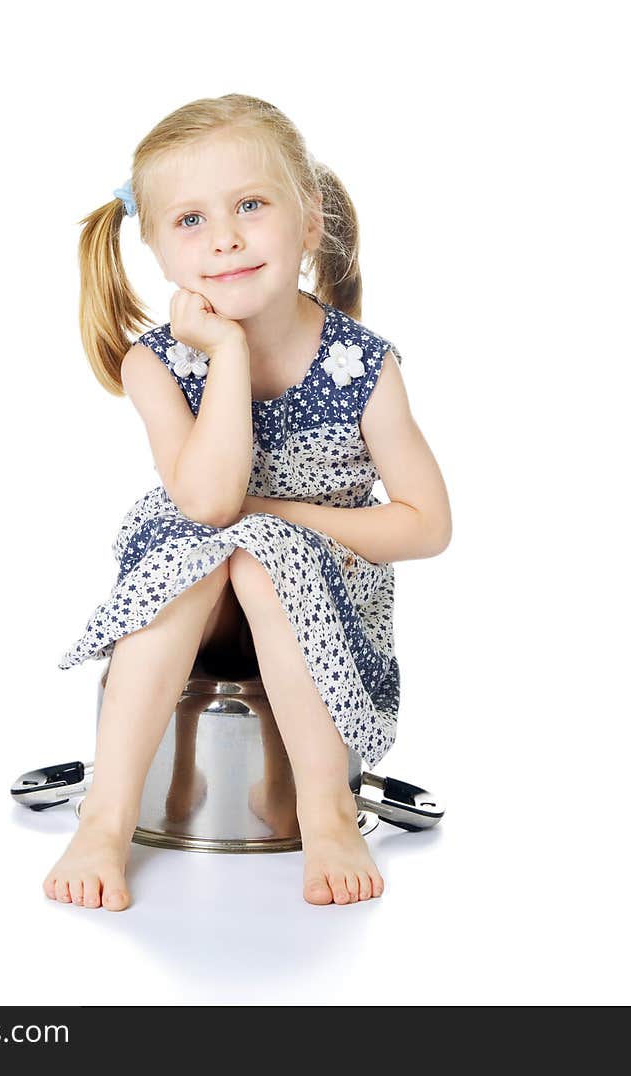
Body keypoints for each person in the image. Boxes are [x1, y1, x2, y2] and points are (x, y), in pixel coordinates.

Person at [44, 93, 452, 911]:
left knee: (263, 561)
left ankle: (328, 809)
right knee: (210, 554)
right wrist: (225, 353)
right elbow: (207, 503)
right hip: (192, 580)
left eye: (251, 206)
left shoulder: (362, 366)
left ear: (308, 224)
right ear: (157, 251)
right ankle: (105, 817)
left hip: (324, 595)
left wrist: (280, 522)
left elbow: (427, 524)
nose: (224, 237)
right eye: (190, 220)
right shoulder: (154, 364)